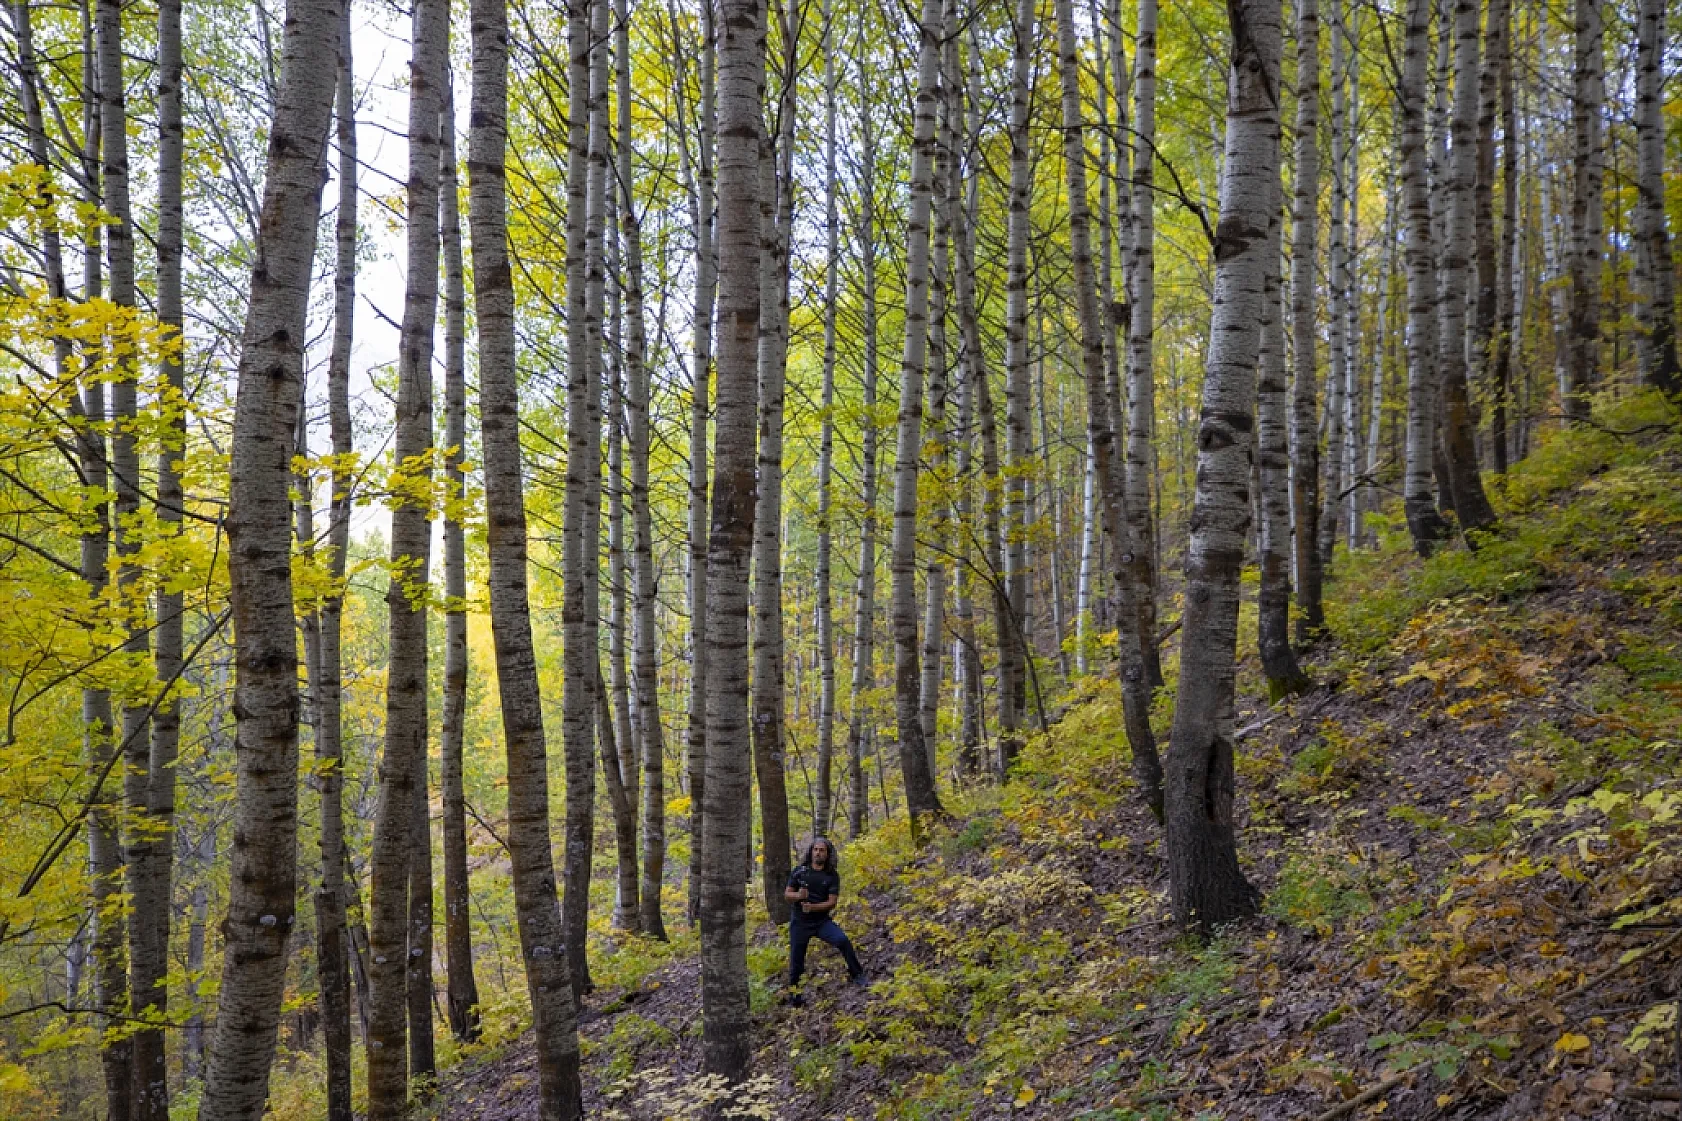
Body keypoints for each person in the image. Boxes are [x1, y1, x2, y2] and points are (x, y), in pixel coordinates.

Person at [784, 837, 864, 1004]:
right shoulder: (799, 871)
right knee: (796, 961)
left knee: (842, 940)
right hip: (800, 922)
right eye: (815, 849)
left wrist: (813, 907)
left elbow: (832, 902)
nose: (818, 853)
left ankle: (858, 974)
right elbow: (787, 894)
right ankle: (795, 997)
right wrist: (798, 896)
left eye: (822, 850)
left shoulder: (831, 875)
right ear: (811, 851)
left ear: (828, 854)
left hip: (821, 921)